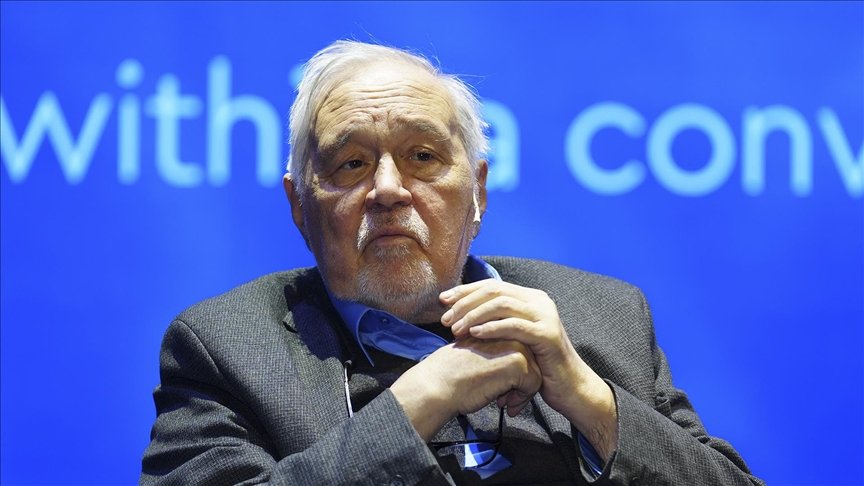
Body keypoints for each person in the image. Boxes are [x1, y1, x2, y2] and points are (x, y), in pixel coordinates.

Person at [141, 40, 762, 485]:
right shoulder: (226, 347)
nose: (388, 189)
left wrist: (589, 399)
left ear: (478, 193)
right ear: (300, 207)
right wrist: (421, 400)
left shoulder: (604, 317)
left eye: (423, 157)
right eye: (351, 164)